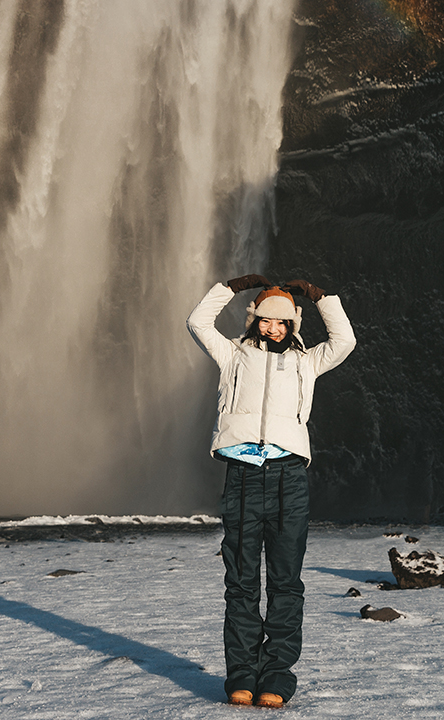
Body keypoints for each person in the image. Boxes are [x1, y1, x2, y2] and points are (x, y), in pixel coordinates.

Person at [186, 273, 356, 708]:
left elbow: (345, 340)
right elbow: (197, 323)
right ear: (253, 320)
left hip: (289, 478)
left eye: (281, 322)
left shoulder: (307, 361)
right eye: (264, 320)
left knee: (285, 582)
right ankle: (242, 676)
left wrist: (321, 296)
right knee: (241, 582)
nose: (272, 328)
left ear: (293, 325)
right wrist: (231, 286)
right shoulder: (233, 355)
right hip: (242, 475)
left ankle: (276, 677)